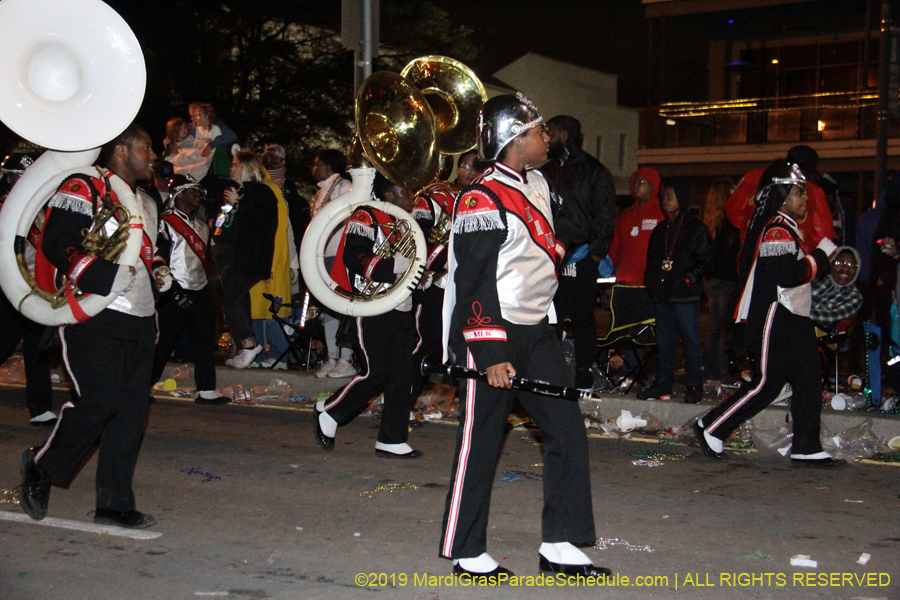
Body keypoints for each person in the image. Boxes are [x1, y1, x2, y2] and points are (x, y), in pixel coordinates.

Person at [439, 93, 609, 581]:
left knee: (567, 430)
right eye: (538, 131)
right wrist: (489, 351)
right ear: (515, 139)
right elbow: (474, 279)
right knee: (481, 439)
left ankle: (560, 542)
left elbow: (559, 242)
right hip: (493, 330)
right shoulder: (481, 197)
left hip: (537, 330)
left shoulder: (538, 184)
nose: (546, 137)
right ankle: (466, 549)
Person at [19, 124, 165, 528]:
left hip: (139, 318)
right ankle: (40, 465)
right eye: (146, 146)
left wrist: (161, 273)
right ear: (120, 150)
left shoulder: (147, 201)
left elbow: (145, 254)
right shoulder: (86, 185)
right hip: (92, 314)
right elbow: (57, 240)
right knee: (100, 402)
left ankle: (114, 503)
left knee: (131, 414)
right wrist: (100, 275)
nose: (153, 155)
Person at [694, 161, 844, 468]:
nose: (805, 199)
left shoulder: (788, 228)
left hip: (794, 316)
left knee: (808, 380)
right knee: (767, 383)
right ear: (781, 195)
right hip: (777, 316)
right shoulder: (776, 229)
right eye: (799, 192)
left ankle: (806, 445)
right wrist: (821, 257)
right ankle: (711, 426)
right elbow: (788, 274)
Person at [313, 173, 422, 459]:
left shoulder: (405, 223)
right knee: (378, 371)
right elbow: (354, 255)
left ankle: (391, 439)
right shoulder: (366, 215)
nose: (412, 195)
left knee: (402, 375)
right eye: (405, 188)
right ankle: (332, 412)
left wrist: (416, 274)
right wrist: (390, 266)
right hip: (372, 304)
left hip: (401, 305)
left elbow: (413, 261)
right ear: (388, 194)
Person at [540, 115, 616, 391]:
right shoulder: (545, 172)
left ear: (565, 135)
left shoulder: (595, 172)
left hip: (581, 256)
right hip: (550, 257)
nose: (546, 138)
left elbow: (606, 217)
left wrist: (594, 257)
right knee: (549, 318)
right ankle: (551, 372)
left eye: (550, 132)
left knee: (583, 317)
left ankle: (583, 372)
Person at [151, 174, 228, 404]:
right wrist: (172, 289)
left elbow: (208, 256)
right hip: (175, 290)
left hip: (200, 287)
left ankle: (206, 389)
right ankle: (142, 387)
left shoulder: (202, 224)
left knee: (205, 340)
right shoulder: (164, 222)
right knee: (163, 342)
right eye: (193, 191)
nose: (199, 195)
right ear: (180, 194)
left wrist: (227, 211)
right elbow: (159, 258)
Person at [639, 179, 713, 403]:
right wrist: (652, 283)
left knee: (690, 341)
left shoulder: (696, 228)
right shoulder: (661, 229)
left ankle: (693, 385)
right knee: (664, 342)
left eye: (670, 197)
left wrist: (688, 280)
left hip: (684, 296)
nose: (665, 201)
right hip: (662, 295)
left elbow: (706, 260)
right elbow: (652, 260)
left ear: (681, 199)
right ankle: (663, 384)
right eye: (663, 197)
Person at [0, 151, 56, 425]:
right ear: (8, 179)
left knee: (38, 348)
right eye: (20, 178)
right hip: (7, 288)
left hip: (36, 289)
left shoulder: (44, 211)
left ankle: (40, 407)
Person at [210, 150, 278, 369]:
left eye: (235, 165)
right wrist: (223, 216)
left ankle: (249, 344)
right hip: (231, 257)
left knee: (229, 295)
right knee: (238, 299)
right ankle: (246, 345)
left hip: (250, 258)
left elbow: (258, 224)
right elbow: (224, 227)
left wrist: (238, 203)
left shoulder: (262, 193)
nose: (231, 169)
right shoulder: (235, 193)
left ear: (247, 167)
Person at [725, 145, 835, 254]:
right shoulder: (813, 190)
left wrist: (755, 228)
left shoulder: (753, 177)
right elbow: (823, 234)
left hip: (752, 253)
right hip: (792, 257)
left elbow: (734, 214)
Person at [309, 149, 356, 379]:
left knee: (344, 308)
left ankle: (346, 360)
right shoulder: (320, 193)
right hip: (323, 257)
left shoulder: (345, 187)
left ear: (329, 167)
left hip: (341, 256)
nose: (313, 168)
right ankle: (332, 357)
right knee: (329, 311)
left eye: (317, 163)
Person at [701, 178, 741, 381]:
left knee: (715, 326)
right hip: (726, 278)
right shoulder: (730, 222)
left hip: (712, 278)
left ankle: (711, 371)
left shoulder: (709, 222)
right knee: (726, 327)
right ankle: (725, 373)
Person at [608, 167, 664, 287]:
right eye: (635, 182)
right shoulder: (625, 216)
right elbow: (615, 248)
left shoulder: (662, 214)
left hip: (651, 283)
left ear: (653, 186)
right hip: (624, 281)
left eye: (642, 182)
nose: (636, 185)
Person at [810, 247, 862, 331]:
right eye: (839, 263)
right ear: (831, 264)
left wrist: (798, 312)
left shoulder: (855, 297)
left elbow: (830, 317)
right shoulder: (818, 280)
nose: (845, 268)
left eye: (851, 265)